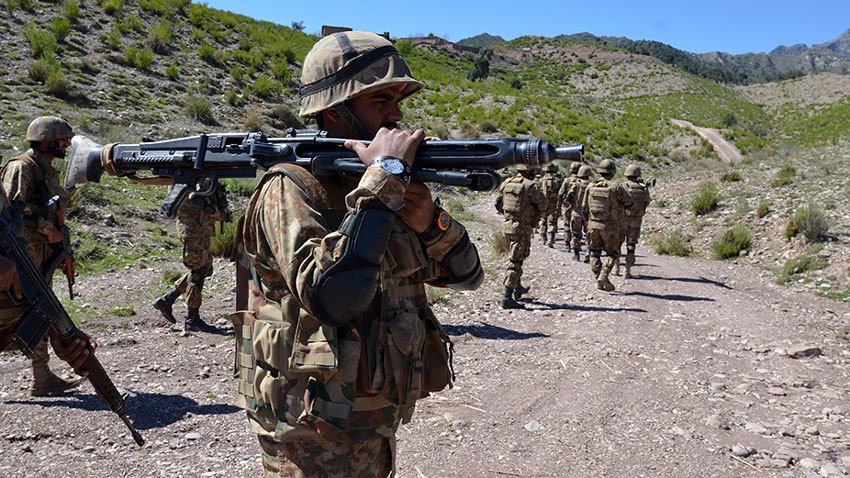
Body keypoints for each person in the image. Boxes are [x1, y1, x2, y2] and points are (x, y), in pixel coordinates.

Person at [233, 31, 484, 477]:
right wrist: (384, 179)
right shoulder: (291, 188)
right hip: (312, 429)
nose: (397, 115)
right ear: (334, 110)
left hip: (369, 417)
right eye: (380, 100)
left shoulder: (378, 189)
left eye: (398, 100)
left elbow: (468, 277)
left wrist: (431, 223)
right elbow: (333, 297)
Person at [0, 116, 84, 396]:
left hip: (40, 256)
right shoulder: (22, 167)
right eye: (63, 140)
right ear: (46, 141)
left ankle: (42, 375)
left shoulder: (48, 171)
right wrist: (48, 230)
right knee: (18, 313)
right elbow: (12, 212)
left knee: (40, 312)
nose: (67, 145)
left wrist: (60, 251)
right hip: (21, 256)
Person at [153, 180, 229, 332]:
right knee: (199, 271)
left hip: (201, 227)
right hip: (193, 228)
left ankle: (168, 299)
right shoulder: (190, 175)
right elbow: (194, 197)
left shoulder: (198, 174)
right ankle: (192, 319)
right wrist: (214, 212)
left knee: (204, 269)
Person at [496, 164, 547, 309]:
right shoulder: (530, 186)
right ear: (529, 171)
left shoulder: (507, 183)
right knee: (515, 261)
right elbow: (543, 205)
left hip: (507, 226)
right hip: (521, 228)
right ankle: (507, 297)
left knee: (516, 256)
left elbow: (498, 204)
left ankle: (517, 287)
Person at [583, 159, 631, 291]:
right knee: (612, 253)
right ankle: (603, 276)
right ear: (613, 172)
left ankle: (597, 278)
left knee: (594, 253)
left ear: (599, 171)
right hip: (610, 227)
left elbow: (584, 208)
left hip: (593, 225)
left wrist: (589, 223)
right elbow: (629, 202)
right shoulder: (616, 187)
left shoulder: (591, 186)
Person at [620, 164, 652, 278]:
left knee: (617, 244)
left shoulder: (622, 186)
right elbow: (647, 202)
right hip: (636, 220)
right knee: (631, 245)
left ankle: (616, 268)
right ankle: (627, 271)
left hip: (622, 219)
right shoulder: (643, 189)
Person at [565, 165, 592, 262]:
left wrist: (572, 205)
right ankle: (588, 250)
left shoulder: (576, 184)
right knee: (588, 234)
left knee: (576, 234)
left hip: (576, 213)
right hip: (588, 214)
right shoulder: (592, 185)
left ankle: (576, 254)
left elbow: (568, 197)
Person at [537, 163, 563, 248]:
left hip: (543, 203)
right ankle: (551, 239)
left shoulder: (541, 179)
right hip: (553, 204)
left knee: (543, 220)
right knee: (552, 221)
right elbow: (561, 193)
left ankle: (543, 238)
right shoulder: (558, 180)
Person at [558, 162, 581, 251]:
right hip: (578, 207)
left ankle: (567, 245)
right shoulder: (582, 182)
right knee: (578, 227)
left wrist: (559, 204)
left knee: (567, 225)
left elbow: (561, 193)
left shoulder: (567, 180)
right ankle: (578, 245)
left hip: (567, 206)